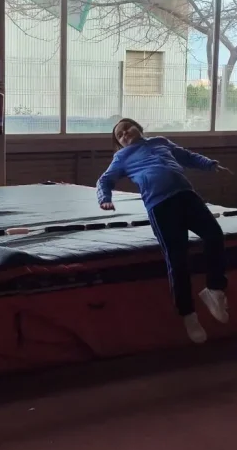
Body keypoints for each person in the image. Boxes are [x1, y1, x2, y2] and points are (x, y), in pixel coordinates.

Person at [96, 117, 230, 344]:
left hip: (187, 196)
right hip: (160, 206)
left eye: (127, 128)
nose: (125, 134)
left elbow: (186, 156)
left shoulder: (160, 141)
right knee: (177, 258)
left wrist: (210, 164)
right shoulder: (122, 157)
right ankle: (188, 314)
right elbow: (104, 180)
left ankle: (215, 289)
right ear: (119, 144)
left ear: (139, 127)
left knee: (214, 234)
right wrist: (105, 198)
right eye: (120, 135)